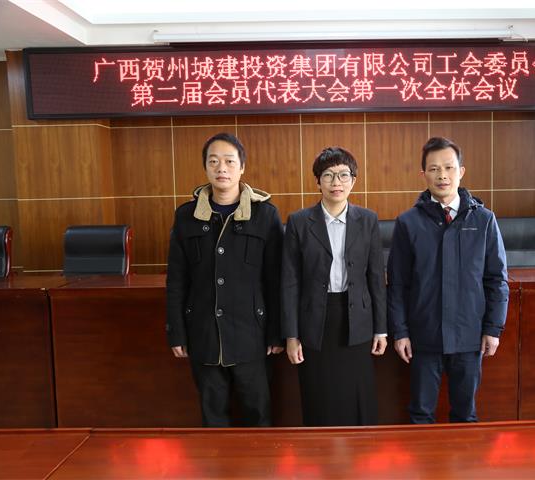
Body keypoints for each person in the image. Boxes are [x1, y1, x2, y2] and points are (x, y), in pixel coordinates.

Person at [165, 132, 284, 427]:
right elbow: (177, 281)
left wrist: (276, 333)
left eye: (230, 161)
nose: (222, 168)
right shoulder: (186, 216)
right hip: (203, 335)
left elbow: (275, 280)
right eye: (214, 161)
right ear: (205, 167)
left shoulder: (265, 215)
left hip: (251, 336)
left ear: (242, 167)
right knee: (213, 418)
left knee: (258, 415)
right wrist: (176, 332)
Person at [387, 136, 508, 424]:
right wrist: (400, 332)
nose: (442, 175)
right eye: (434, 169)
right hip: (423, 337)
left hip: (469, 336)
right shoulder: (408, 223)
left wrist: (493, 328)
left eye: (449, 167)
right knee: (420, 414)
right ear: (423, 175)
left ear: (461, 171)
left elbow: (497, 280)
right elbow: (398, 284)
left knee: (465, 414)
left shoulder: (484, 220)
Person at [281, 147, 387, 426]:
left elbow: (376, 277)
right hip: (315, 320)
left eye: (343, 175)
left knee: (357, 394)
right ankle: (320, 450)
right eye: (328, 175)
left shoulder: (368, 220)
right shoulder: (299, 222)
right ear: (318, 181)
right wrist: (291, 335)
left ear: (354, 180)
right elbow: (290, 283)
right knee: (319, 394)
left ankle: (360, 450)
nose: (336, 182)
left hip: (357, 319)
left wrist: (381, 328)